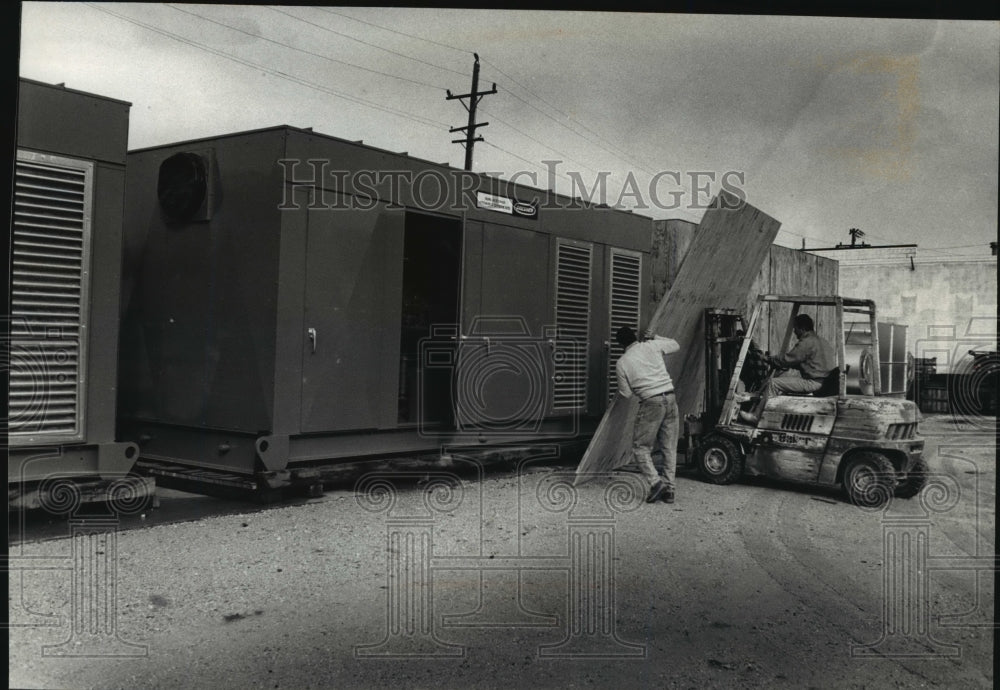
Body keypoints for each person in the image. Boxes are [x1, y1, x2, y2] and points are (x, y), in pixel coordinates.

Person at [615, 325, 681, 504]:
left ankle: (656, 483)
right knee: (669, 447)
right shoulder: (651, 345)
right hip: (670, 397)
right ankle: (670, 491)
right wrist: (655, 337)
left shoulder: (622, 362)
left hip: (651, 402)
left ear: (621, 344)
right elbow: (675, 345)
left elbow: (626, 393)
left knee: (641, 448)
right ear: (635, 337)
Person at [738, 314, 835, 425]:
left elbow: (787, 359)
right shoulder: (822, 341)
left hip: (814, 382)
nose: (794, 332)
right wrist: (787, 364)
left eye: (795, 329)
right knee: (782, 381)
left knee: (773, 383)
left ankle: (756, 416)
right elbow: (806, 362)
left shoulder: (806, 342)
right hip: (825, 381)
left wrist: (769, 359)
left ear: (802, 328)